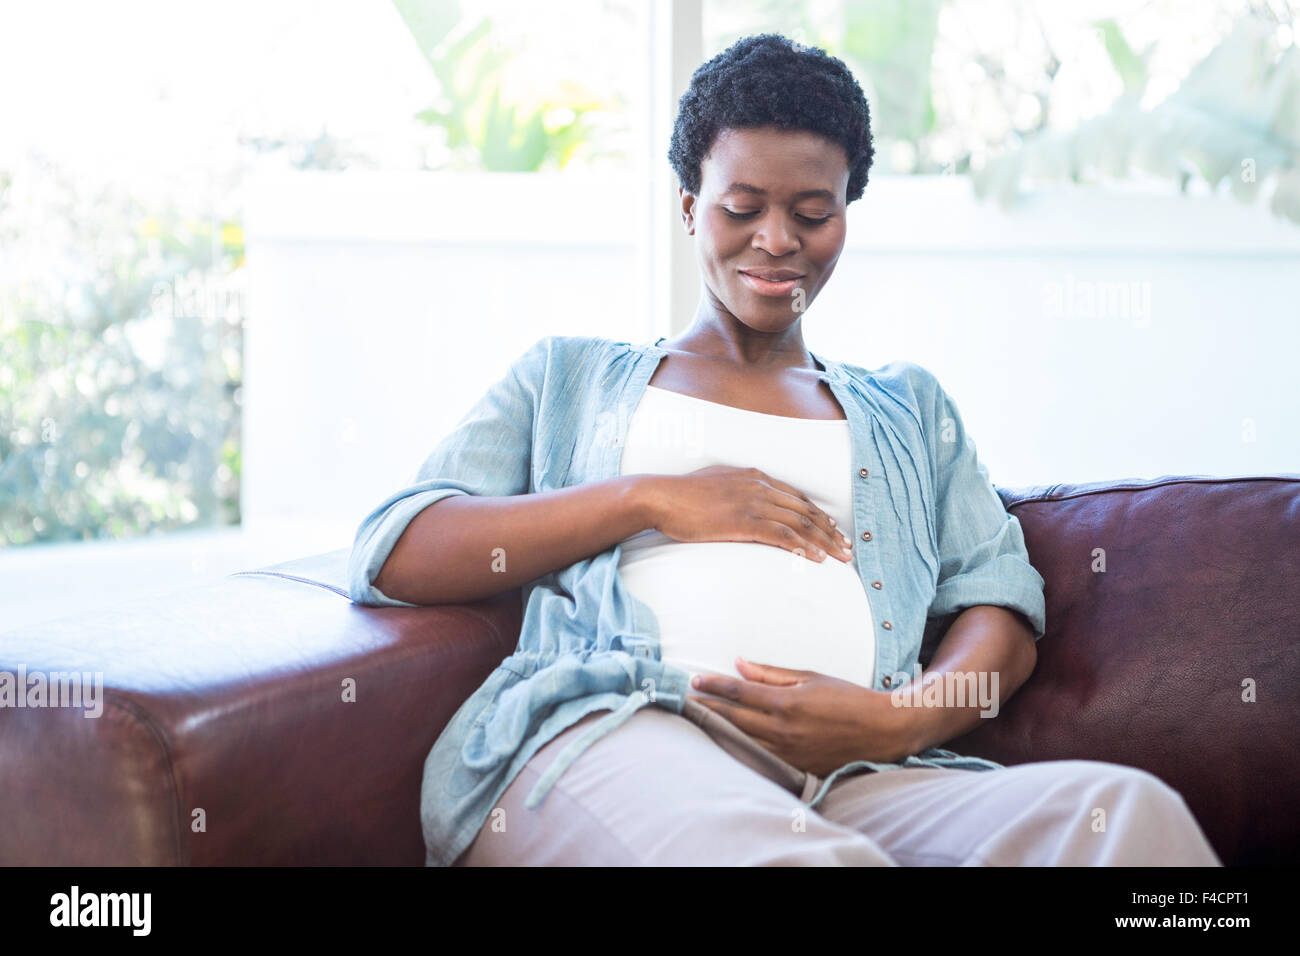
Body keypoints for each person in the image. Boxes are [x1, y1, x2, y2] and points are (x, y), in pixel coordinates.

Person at [347, 33, 1222, 867]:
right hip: (625, 736)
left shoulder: (907, 409)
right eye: (741, 208)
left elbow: (1001, 609)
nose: (776, 240)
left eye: (812, 212)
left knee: (1132, 824)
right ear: (691, 208)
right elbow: (398, 549)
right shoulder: (568, 378)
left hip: (859, 775)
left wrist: (898, 722)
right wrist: (650, 498)